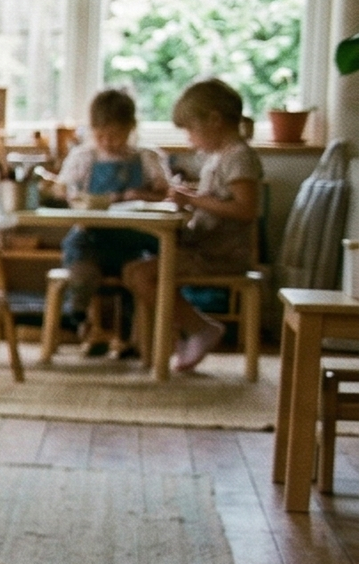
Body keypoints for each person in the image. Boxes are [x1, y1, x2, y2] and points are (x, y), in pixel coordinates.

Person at [122, 78, 262, 372]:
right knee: (134, 270)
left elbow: (246, 209)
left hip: (220, 255)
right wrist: (191, 198)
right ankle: (177, 337)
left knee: (142, 275)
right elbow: (219, 198)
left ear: (214, 120)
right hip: (204, 248)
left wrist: (195, 201)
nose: (189, 138)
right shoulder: (218, 157)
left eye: (190, 129)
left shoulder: (239, 156)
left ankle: (199, 329)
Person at [49, 88, 170, 356]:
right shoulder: (85, 157)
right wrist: (75, 195)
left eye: (115, 135)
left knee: (135, 277)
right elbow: (61, 189)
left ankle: (128, 339)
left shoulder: (146, 157)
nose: (107, 142)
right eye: (100, 135)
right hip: (92, 234)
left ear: (131, 129)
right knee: (82, 264)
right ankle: (76, 314)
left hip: (133, 238)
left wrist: (143, 194)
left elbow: (165, 193)